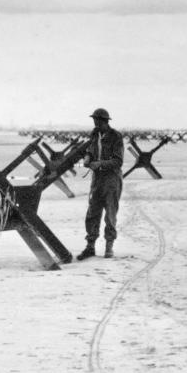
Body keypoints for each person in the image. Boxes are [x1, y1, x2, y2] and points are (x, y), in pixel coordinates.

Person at [77, 108, 125, 260]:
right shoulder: (94, 134)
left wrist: (100, 164)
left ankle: (109, 247)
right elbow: (91, 150)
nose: (95, 123)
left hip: (112, 180)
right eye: (94, 120)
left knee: (110, 214)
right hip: (97, 180)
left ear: (104, 121)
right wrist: (87, 157)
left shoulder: (116, 136)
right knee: (92, 213)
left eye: (97, 120)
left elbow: (118, 161)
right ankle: (90, 246)